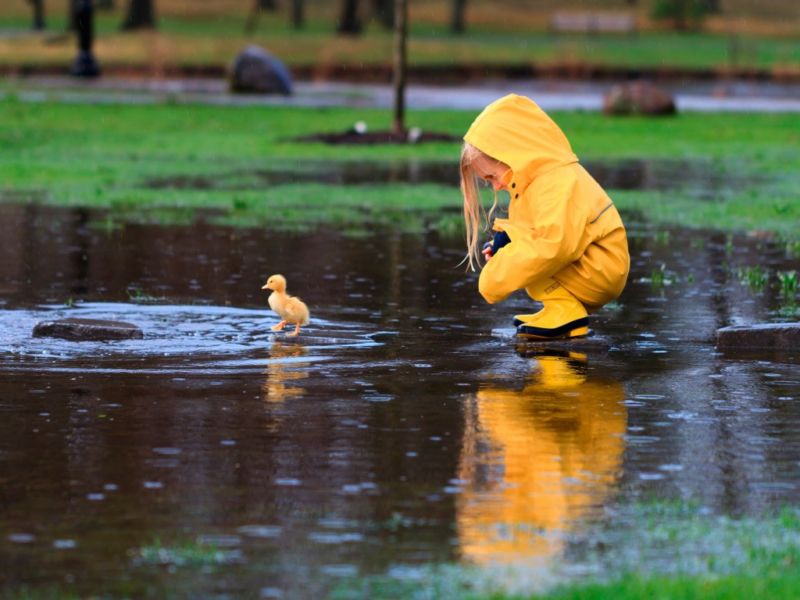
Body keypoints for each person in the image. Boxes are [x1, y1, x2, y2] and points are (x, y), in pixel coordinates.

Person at [459, 94, 630, 338]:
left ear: (512, 155)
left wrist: (495, 277)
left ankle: (567, 313)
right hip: (590, 266)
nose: (496, 187)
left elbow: (554, 246)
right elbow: (532, 230)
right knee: (526, 255)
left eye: (492, 177)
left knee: (532, 258)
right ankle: (560, 307)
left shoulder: (557, 182)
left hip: (600, 271)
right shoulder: (534, 183)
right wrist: (504, 243)